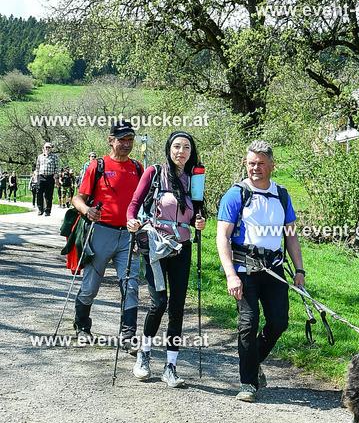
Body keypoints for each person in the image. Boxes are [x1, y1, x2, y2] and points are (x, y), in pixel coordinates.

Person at [216, 140, 306, 401]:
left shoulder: (282, 194)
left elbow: (290, 235)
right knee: (249, 321)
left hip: (274, 269)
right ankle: (247, 383)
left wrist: (299, 270)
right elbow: (222, 236)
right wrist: (230, 274)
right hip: (245, 268)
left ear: (271, 166)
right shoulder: (236, 194)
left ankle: (253, 362)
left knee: (279, 321)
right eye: (251, 163)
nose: (255, 168)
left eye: (261, 164)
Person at [126, 132, 206, 387]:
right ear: (169, 149)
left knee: (177, 308)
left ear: (191, 151)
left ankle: (170, 366)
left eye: (186, 147)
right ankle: (144, 354)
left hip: (182, 248)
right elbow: (135, 203)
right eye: (176, 146)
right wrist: (132, 220)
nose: (181, 151)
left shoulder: (195, 178)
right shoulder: (154, 172)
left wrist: (199, 221)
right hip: (156, 248)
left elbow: (195, 211)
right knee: (158, 303)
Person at [70, 121, 143, 343]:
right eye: (122, 140)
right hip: (101, 232)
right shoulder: (98, 165)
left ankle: (128, 334)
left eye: (130, 140)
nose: (126, 144)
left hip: (128, 236)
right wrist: (87, 210)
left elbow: (144, 202)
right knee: (91, 284)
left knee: (130, 284)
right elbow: (77, 198)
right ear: (111, 140)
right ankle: (82, 326)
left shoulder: (138, 168)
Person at [35, 142, 59, 216]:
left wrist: (57, 178)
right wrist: (36, 178)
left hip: (50, 177)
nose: (47, 149)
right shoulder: (40, 157)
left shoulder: (54, 157)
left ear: (51, 149)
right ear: (43, 148)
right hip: (41, 176)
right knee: (39, 193)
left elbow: (56, 168)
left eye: (49, 148)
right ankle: (40, 209)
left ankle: (48, 211)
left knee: (49, 195)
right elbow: (37, 167)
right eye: (46, 147)